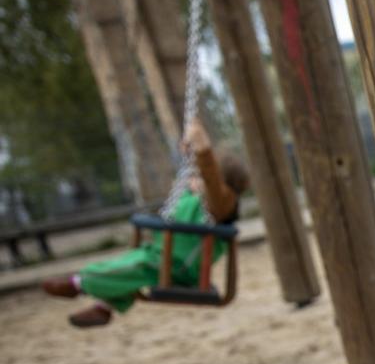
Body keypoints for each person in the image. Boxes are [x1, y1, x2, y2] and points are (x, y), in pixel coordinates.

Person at [42, 119, 249, 327]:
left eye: (200, 176)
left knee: (122, 269)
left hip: (178, 269)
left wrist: (203, 149)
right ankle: (103, 308)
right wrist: (191, 154)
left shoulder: (220, 207)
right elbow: (201, 178)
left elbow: (213, 182)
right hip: (160, 258)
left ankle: (79, 284)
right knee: (126, 270)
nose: (194, 179)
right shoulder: (192, 197)